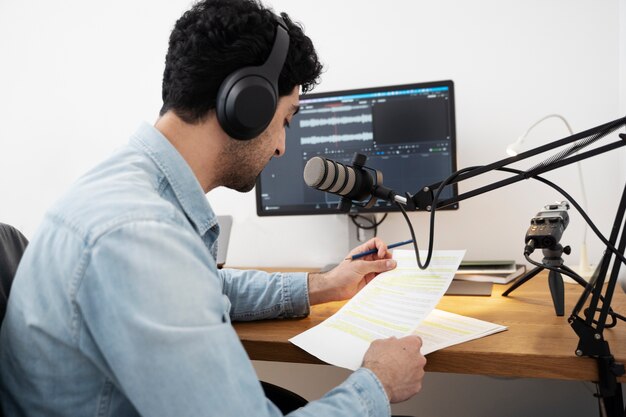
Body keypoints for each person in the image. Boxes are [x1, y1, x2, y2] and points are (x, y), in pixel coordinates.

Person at [0, 0, 426, 416]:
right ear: (247, 105)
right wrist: (378, 383)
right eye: (286, 120)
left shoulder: (130, 189)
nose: (281, 146)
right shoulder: (137, 232)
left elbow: (199, 286)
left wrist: (326, 285)